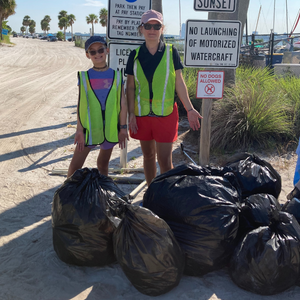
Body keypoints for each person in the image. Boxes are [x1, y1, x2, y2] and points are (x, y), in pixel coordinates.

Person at [125, 9, 202, 186]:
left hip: (166, 114)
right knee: (148, 156)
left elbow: (179, 83)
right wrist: (131, 114)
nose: (152, 29)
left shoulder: (171, 51)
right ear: (141, 29)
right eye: (148, 26)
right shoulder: (134, 55)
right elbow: (130, 87)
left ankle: (166, 194)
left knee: (165, 161)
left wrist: (190, 109)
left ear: (162, 28)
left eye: (156, 26)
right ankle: (152, 191)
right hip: (142, 115)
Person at [67, 36, 128, 178]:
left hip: (110, 129)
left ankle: (102, 193)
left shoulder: (117, 76)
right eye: (92, 52)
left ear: (107, 50)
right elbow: (81, 104)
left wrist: (123, 128)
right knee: (75, 166)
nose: (97, 54)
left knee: (103, 165)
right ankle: (66, 195)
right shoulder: (84, 77)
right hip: (90, 129)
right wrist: (79, 130)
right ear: (87, 55)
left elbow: (122, 103)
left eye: (100, 50)